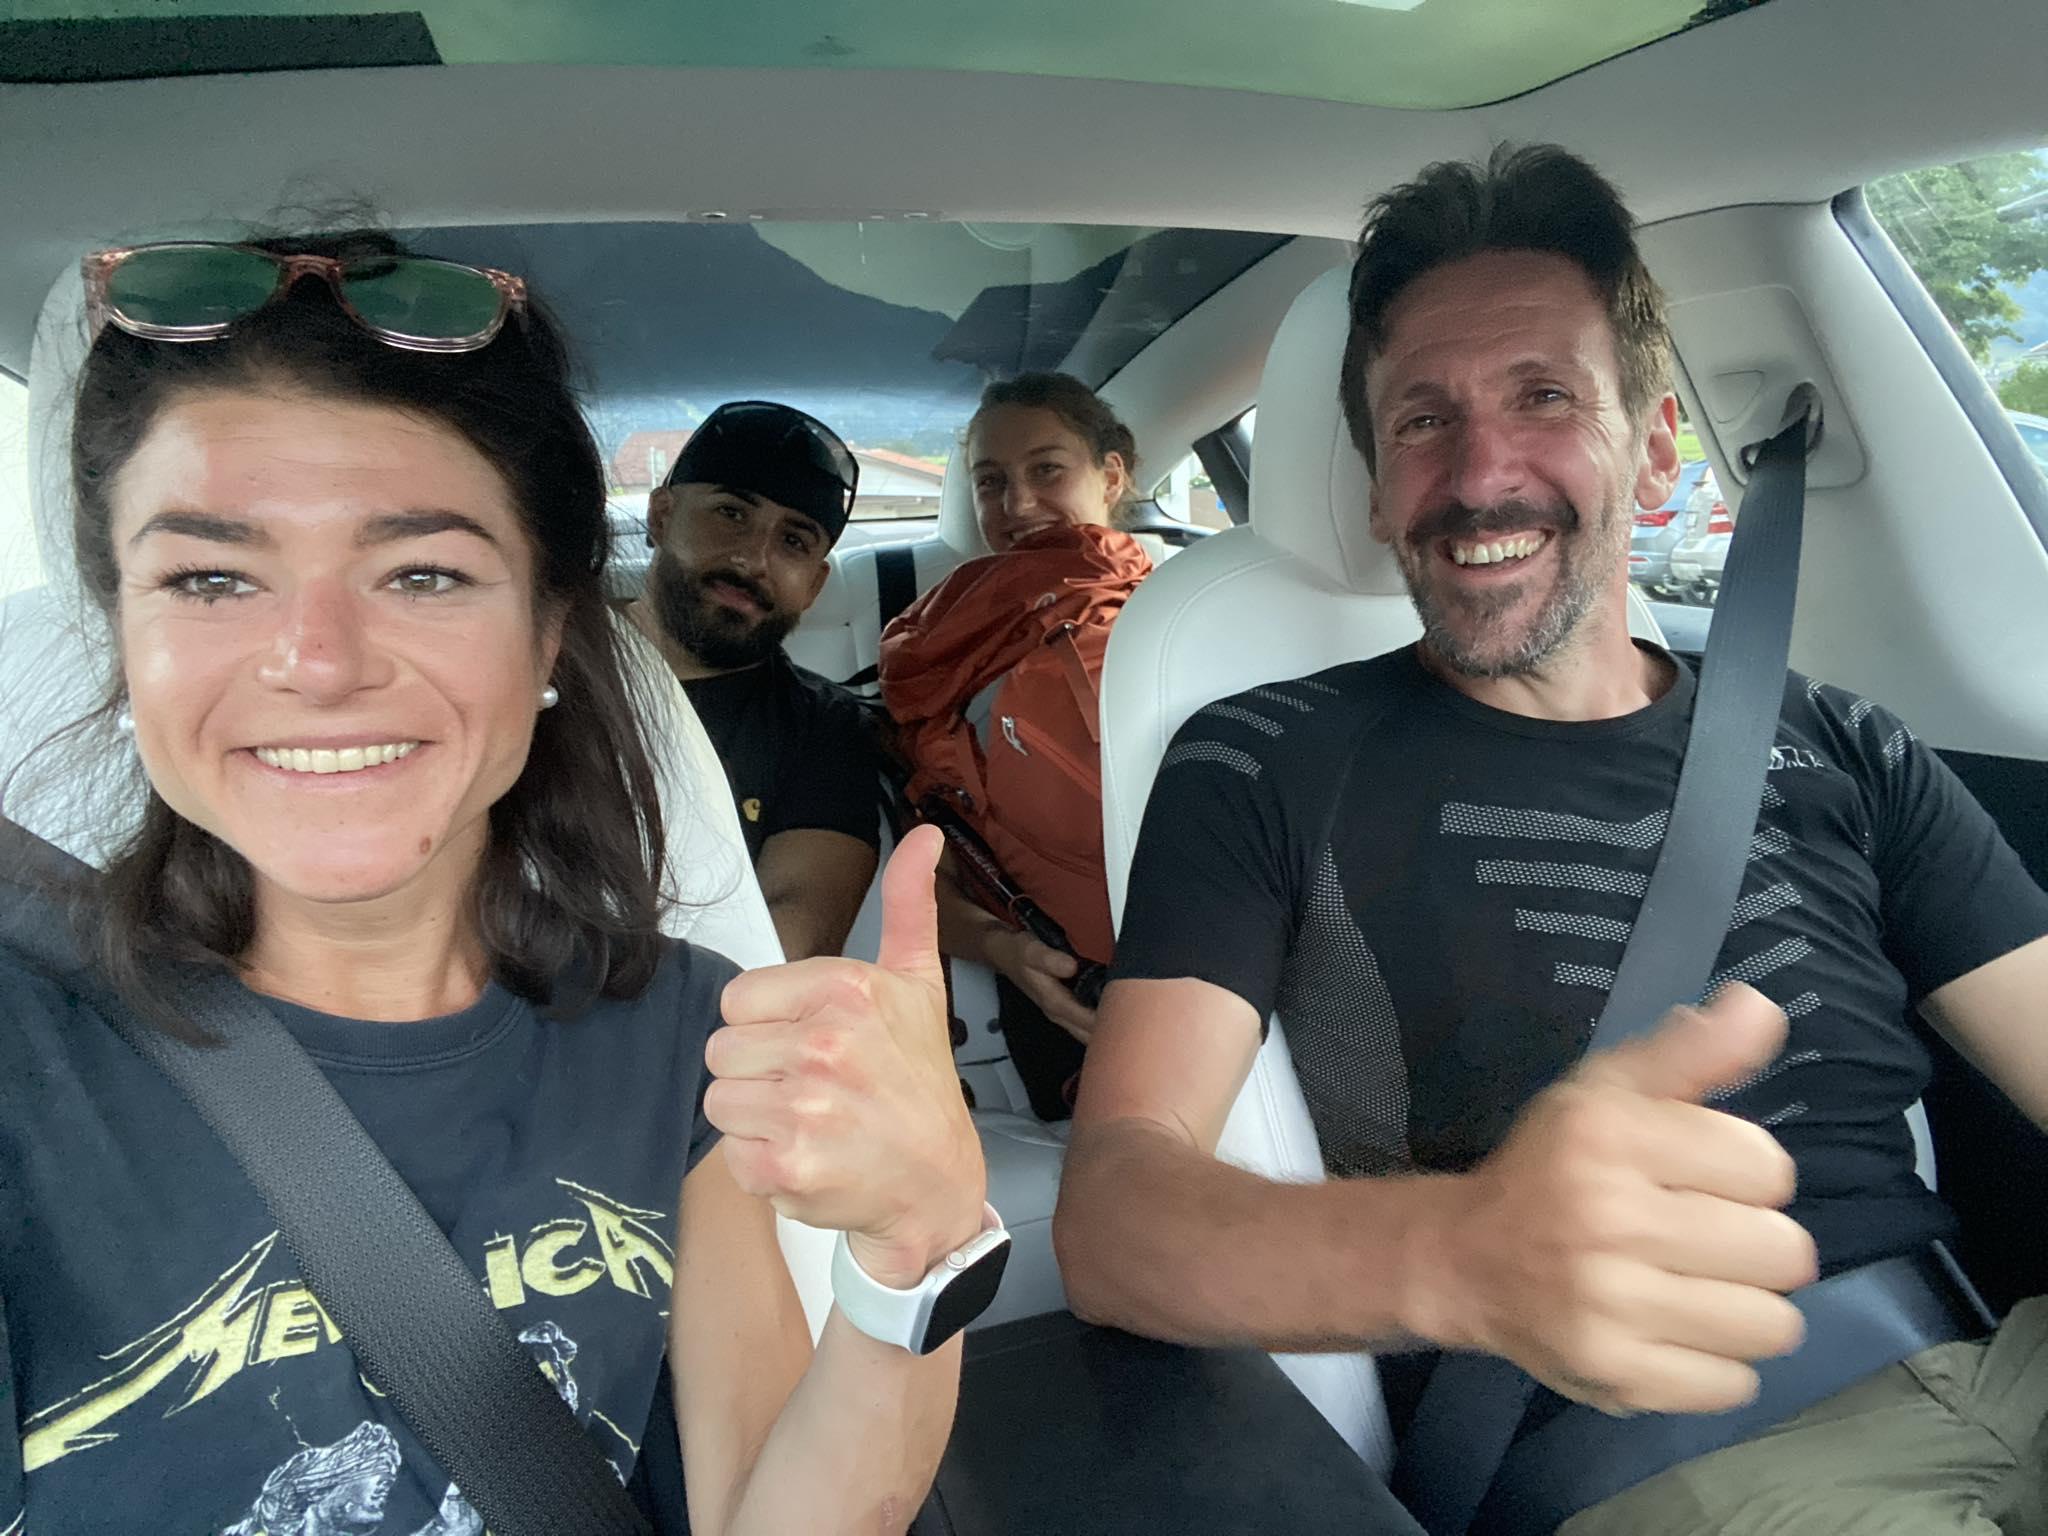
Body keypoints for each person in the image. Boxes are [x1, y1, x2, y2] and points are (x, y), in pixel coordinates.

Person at [1054, 145, 2048, 1532]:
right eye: (1422, 419)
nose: (1480, 474)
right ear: (1376, 480)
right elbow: (1111, 1218)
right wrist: (1461, 1258)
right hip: (1687, 1464)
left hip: (1993, 1352)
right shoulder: (1261, 760)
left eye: (1544, 397)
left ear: (1653, 446)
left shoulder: (1843, 742)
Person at [0, 232, 999, 1536]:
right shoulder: (27, 1056)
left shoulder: (676, 1035)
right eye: (210, 577)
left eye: (423, 573)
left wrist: (924, 1235)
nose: (317, 661)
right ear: (123, 635)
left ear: (545, 637)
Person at [879, 373, 1152, 1120]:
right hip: (1062, 992)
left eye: (1047, 470)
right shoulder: (936, 649)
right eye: (991, 481)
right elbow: (929, 866)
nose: (1018, 504)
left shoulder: (1185, 616)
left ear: (1111, 476)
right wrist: (1006, 950)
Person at [625, 399, 881, 962]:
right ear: (662, 516)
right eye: (732, 513)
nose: (753, 559)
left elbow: (792, 934)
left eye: (794, 540)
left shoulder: (826, 730)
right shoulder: (541, 663)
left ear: (814, 586)